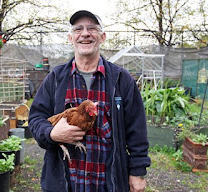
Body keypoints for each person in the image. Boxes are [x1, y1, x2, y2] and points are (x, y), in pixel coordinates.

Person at [28, 10, 151, 192]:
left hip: (108, 183)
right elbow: (35, 119)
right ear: (71, 38)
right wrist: (52, 134)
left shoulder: (121, 80)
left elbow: (137, 129)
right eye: (78, 29)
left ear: (102, 37)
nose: (85, 33)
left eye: (92, 28)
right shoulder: (55, 78)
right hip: (65, 183)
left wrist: (138, 172)